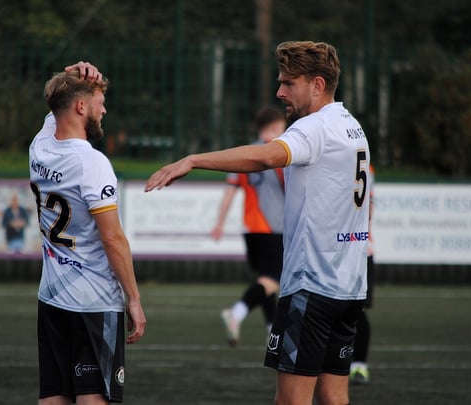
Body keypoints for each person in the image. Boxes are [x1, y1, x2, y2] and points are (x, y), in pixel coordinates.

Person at [145, 41, 370, 405]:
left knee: (290, 402)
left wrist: (193, 160)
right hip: (348, 287)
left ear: (316, 84)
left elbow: (266, 157)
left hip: (313, 286)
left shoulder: (314, 128)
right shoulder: (351, 126)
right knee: (334, 398)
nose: (279, 91)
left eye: (288, 83)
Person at [29, 62, 146, 405]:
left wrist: (73, 73)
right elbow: (113, 239)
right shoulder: (92, 163)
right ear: (81, 107)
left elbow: (57, 106)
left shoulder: (40, 146)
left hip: (51, 298)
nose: (104, 109)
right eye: (99, 101)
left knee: (54, 395)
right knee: (92, 397)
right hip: (93, 303)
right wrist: (134, 299)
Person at [212, 107, 286, 347]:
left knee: (264, 281)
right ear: (276, 126)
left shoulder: (248, 153)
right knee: (272, 279)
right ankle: (237, 312)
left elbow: (230, 190)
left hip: (251, 228)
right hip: (273, 226)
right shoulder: (279, 153)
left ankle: (272, 331)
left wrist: (219, 223)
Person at [350, 164, 375, 385]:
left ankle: (359, 364)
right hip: (347, 248)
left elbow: (369, 206)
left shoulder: (364, 166)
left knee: (358, 308)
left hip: (358, 249)